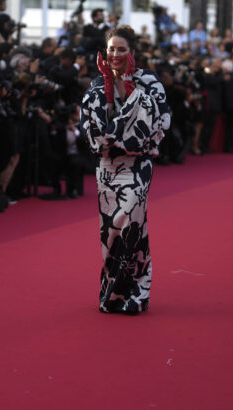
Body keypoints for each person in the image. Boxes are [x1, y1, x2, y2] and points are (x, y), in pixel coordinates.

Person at [80, 25, 170, 314]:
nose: (115, 54)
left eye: (121, 49)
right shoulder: (96, 84)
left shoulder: (149, 81)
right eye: (111, 49)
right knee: (110, 233)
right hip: (107, 167)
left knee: (130, 224)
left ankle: (133, 294)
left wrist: (129, 86)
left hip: (137, 166)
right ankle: (113, 293)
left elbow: (159, 124)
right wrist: (108, 89)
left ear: (132, 52)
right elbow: (93, 131)